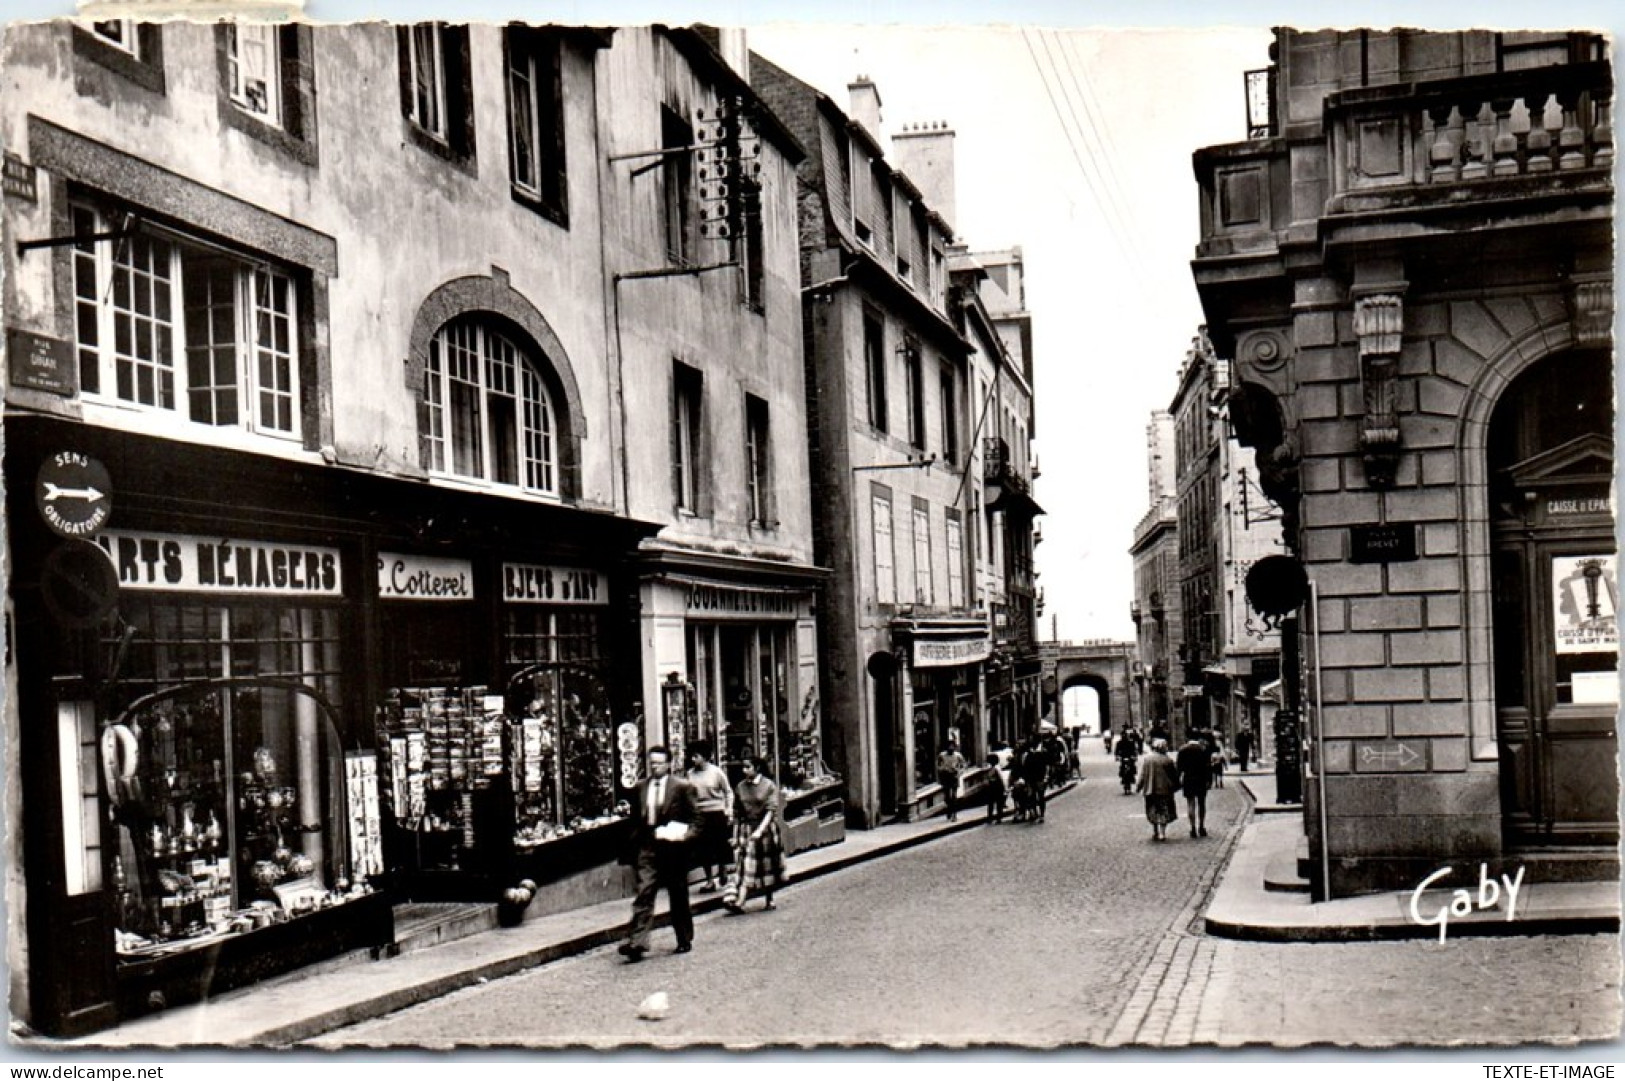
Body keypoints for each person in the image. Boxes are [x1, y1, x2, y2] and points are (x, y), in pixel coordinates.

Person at [619, 746, 699, 962]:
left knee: (678, 894)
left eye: (659, 763)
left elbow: (696, 819)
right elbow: (635, 819)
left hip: (673, 847)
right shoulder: (640, 787)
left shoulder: (682, 787)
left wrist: (685, 836)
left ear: (668, 764)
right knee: (644, 891)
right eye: (651, 762)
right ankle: (637, 942)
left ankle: (683, 938)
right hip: (648, 845)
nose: (655, 767)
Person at [724, 756, 785, 914]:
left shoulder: (768, 785)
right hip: (747, 829)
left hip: (765, 830)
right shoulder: (740, 787)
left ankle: (769, 897)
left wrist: (760, 830)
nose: (744, 770)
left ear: (756, 768)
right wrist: (735, 835)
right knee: (744, 864)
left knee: (766, 866)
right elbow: (737, 813)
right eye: (743, 767)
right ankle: (738, 900)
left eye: (747, 767)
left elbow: (771, 811)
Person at [684, 741, 733, 892]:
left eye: (696, 756)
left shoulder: (716, 772)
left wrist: (728, 809)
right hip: (700, 814)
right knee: (703, 848)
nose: (693, 760)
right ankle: (709, 880)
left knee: (720, 845)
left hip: (717, 812)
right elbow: (688, 795)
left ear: (704, 757)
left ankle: (722, 868)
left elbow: (728, 792)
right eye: (691, 756)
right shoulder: (690, 775)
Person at [1136, 738, 1180, 841]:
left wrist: (1139, 786)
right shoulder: (1167, 760)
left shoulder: (1147, 759)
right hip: (1164, 790)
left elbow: (1143, 774)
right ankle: (1162, 833)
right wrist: (1177, 786)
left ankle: (1155, 830)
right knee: (1164, 810)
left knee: (1153, 810)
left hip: (1150, 789)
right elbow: (1174, 775)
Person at [1176, 733, 1214, 838]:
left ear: (1187, 738)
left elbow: (1179, 768)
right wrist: (1209, 781)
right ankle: (1201, 827)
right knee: (1202, 803)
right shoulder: (1203, 750)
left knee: (1190, 803)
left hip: (1188, 779)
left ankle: (1192, 828)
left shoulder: (1182, 750)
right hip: (1201, 779)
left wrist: (1177, 781)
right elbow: (1208, 767)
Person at [1018, 735, 1052, 822]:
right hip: (1031, 778)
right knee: (1032, 796)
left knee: (1040, 796)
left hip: (1040, 777)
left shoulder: (1043, 752)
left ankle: (1041, 815)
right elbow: (1024, 766)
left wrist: (1045, 777)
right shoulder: (1028, 753)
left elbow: (1047, 766)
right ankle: (1035, 814)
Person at [936, 740, 968, 822]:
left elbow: (964, 765)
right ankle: (949, 809)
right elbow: (938, 764)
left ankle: (954, 814)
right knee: (947, 797)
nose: (951, 748)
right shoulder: (942, 755)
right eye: (949, 746)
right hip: (945, 776)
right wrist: (941, 769)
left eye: (952, 746)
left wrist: (959, 772)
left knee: (954, 796)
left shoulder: (958, 755)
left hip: (954, 776)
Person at [983, 753, 1009, 824]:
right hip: (992, 788)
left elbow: (1001, 778)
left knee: (998, 804)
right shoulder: (990, 768)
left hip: (997, 787)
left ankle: (998, 818)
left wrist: (1004, 788)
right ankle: (991, 818)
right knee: (991, 803)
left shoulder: (996, 769)